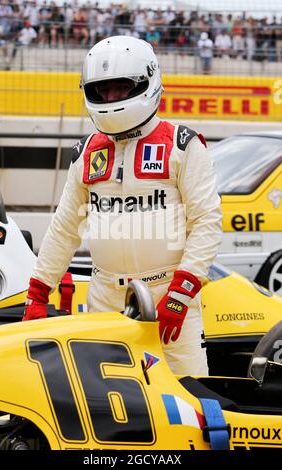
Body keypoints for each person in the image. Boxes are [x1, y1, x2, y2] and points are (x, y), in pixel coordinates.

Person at [23, 36, 222, 376]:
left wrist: (180, 294)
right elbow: (64, 228)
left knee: (191, 403)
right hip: (104, 301)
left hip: (170, 299)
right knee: (103, 409)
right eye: (102, 90)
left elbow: (206, 222)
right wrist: (38, 292)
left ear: (147, 81)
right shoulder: (85, 152)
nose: (111, 98)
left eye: (120, 88)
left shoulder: (183, 145)